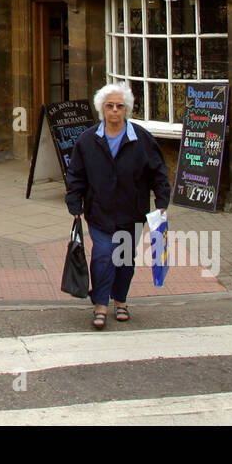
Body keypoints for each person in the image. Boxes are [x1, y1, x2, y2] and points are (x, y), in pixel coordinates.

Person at [64, 81, 171, 330]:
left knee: (123, 259)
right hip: (99, 211)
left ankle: (120, 300)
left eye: (119, 106)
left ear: (127, 110)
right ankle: (100, 304)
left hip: (131, 212)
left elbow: (158, 172)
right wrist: (74, 201)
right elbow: (76, 174)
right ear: (102, 109)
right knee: (103, 256)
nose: (114, 110)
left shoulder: (141, 139)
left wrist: (162, 201)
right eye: (109, 106)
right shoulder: (88, 140)